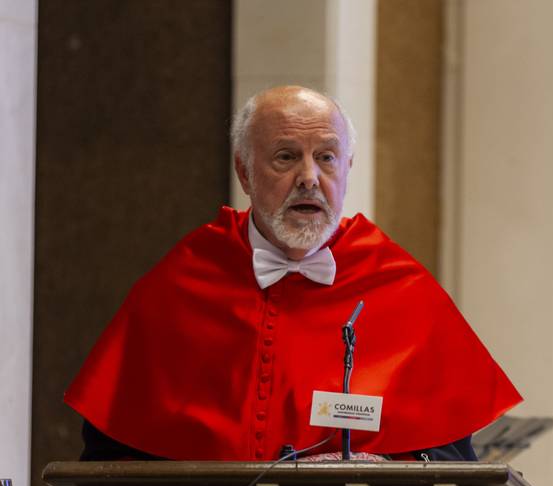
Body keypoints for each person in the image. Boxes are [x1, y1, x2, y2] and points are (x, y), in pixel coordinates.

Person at [65, 86, 521, 462]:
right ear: (244, 173)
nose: (309, 177)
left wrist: (383, 470)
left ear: (347, 168)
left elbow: (454, 463)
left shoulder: (400, 286)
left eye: (326, 158)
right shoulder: (183, 281)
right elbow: (110, 458)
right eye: (286, 157)